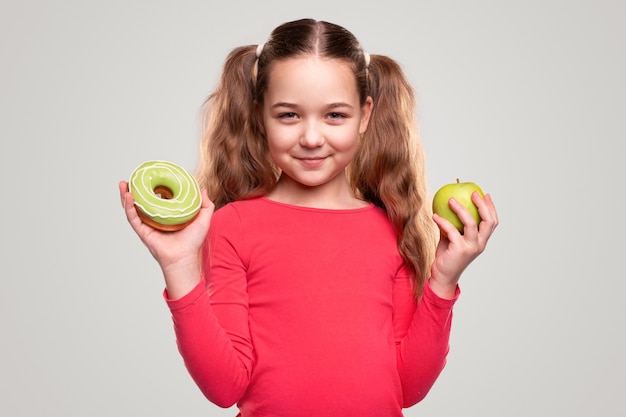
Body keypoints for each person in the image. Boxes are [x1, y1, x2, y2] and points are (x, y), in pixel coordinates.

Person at [119, 18, 498, 417]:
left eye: (335, 115)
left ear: (365, 115)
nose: (312, 137)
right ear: (259, 115)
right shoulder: (233, 226)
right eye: (288, 116)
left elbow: (408, 387)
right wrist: (179, 265)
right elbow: (223, 386)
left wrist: (443, 279)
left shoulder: (392, 228)